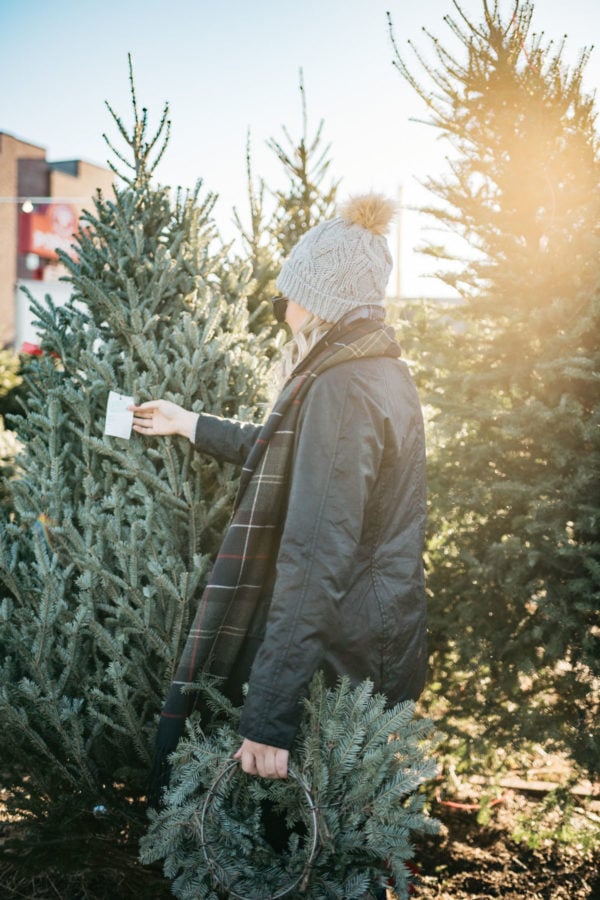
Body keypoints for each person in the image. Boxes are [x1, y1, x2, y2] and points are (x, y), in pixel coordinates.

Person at [132, 193, 428, 794]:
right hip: (376, 629)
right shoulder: (378, 369)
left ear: (319, 301)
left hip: (340, 648)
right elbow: (291, 453)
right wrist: (190, 423)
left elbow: (317, 553)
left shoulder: (341, 388)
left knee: (308, 846)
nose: (281, 305)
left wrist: (269, 717)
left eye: (289, 292)